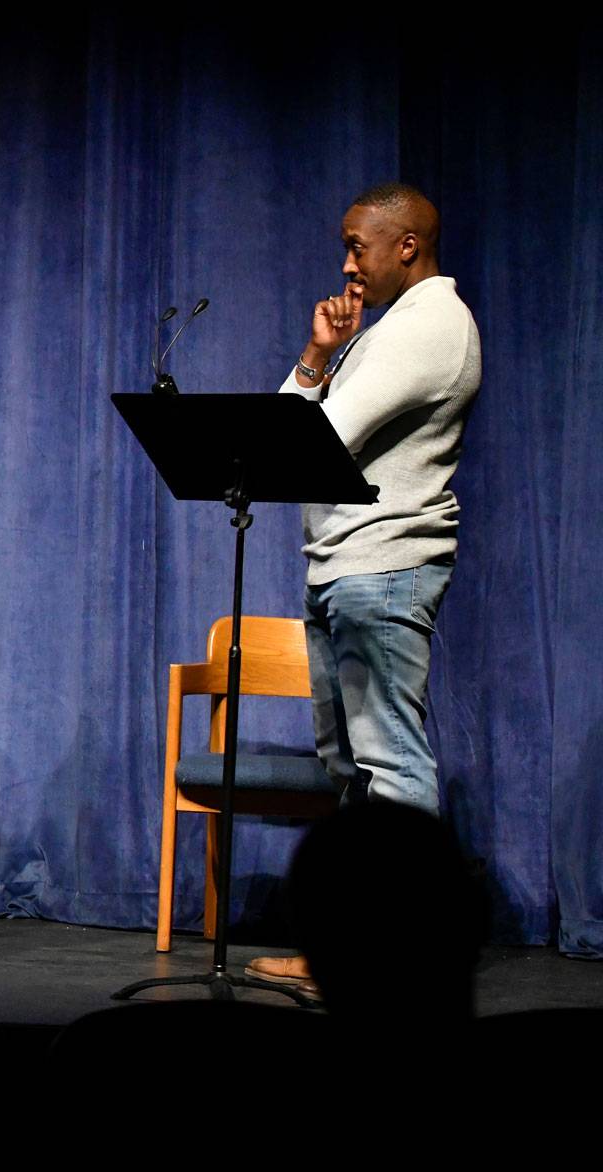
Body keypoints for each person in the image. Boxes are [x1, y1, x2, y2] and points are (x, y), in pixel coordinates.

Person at [247, 183, 481, 989]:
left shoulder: (429, 328)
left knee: (389, 765)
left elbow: (312, 442)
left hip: (383, 568)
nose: (347, 264)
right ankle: (354, 953)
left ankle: (400, 958)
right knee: (351, 769)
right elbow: (291, 432)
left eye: (358, 246)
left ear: (407, 245)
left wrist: (323, 384)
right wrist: (316, 356)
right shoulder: (382, 333)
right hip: (345, 566)